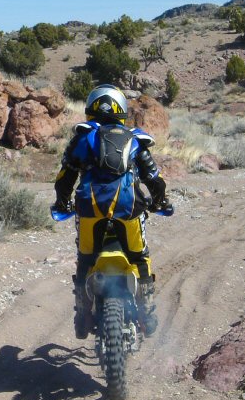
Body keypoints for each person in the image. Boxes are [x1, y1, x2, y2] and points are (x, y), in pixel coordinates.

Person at [52, 84, 172, 339]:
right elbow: (155, 179)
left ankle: (83, 314)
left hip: (90, 211)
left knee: (86, 260)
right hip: (129, 210)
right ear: (121, 109)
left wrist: (62, 204)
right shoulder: (135, 139)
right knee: (139, 257)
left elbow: (65, 178)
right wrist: (160, 202)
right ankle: (147, 310)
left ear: (90, 108)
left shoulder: (83, 137)